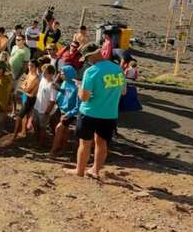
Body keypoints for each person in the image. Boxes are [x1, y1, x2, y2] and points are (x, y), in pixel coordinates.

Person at [69, 42, 126, 179]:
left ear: (90, 56)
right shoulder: (117, 69)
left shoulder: (91, 71)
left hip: (90, 112)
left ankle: (80, 170)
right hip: (109, 113)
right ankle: (95, 170)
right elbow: (123, 91)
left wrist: (79, 87)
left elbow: (84, 97)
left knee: (85, 143)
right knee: (102, 143)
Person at [51, 65, 81, 157]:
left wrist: (68, 114)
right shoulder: (65, 82)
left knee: (59, 129)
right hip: (62, 109)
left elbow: (78, 106)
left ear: (68, 74)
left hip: (71, 113)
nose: (61, 75)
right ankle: (63, 149)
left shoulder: (76, 87)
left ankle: (53, 151)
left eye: (62, 74)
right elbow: (67, 93)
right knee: (64, 131)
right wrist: (59, 89)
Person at [11, 58, 40, 141]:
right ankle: (23, 132)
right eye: (29, 65)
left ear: (36, 67)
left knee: (19, 117)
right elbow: (23, 85)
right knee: (24, 116)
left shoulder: (35, 78)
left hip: (30, 99)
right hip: (26, 96)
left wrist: (24, 86)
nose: (29, 67)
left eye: (32, 66)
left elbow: (27, 89)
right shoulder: (29, 73)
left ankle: (15, 135)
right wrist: (24, 86)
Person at [32, 64, 58, 147]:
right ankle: (37, 139)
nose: (43, 74)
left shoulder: (52, 86)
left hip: (44, 110)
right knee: (34, 123)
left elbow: (52, 101)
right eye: (43, 72)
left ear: (51, 74)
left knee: (43, 127)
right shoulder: (43, 79)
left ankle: (40, 143)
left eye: (45, 72)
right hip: (37, 107)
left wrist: (47, 112)